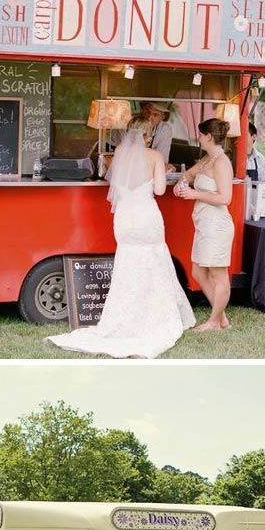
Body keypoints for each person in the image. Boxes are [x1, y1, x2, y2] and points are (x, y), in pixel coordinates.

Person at [47, 113, 195, 358]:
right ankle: (154, 316)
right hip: (147, 218)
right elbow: (159, 190)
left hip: (125, 219)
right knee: (153, 262)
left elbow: (109, 179)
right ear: (148, 135)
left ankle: (126, 316)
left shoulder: (119, 155)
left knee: (129, 264)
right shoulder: (155, 156)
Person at [174, 118, 235, 332]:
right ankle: (222, 318)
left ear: (208, 136)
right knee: (199, 272)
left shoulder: (221, 162)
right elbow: (188, 174)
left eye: (200, 134)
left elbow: (225, 197)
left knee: (219, 275)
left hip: (217, 225)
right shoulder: (207, 159)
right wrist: (182, 185)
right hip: (204, 224)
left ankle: (213, 322)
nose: (197, 138)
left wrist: (194, 193)